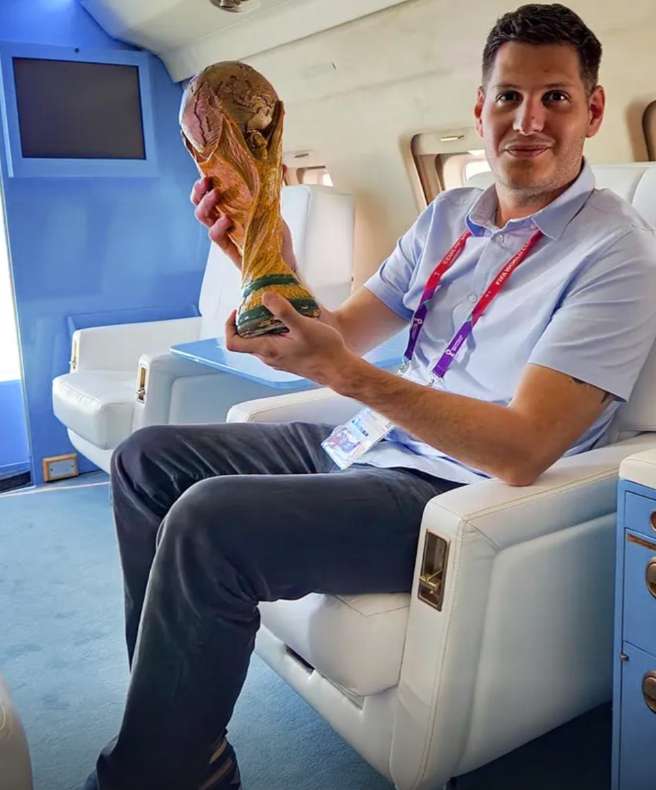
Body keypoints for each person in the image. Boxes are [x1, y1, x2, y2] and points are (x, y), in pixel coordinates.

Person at [83, 4, 656, 788]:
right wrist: (263, 250)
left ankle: (154, 774)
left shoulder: (617, 255)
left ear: (592, 109)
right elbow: (343, 330)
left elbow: (524, 448)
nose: (528, 120)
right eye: (508, 97)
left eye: (555, 97)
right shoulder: (447, 215)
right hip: (369, 443)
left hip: (448, 486)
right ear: (479, 111)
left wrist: (346, 377)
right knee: (146, 459)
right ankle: (181, 738)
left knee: (210, 522)